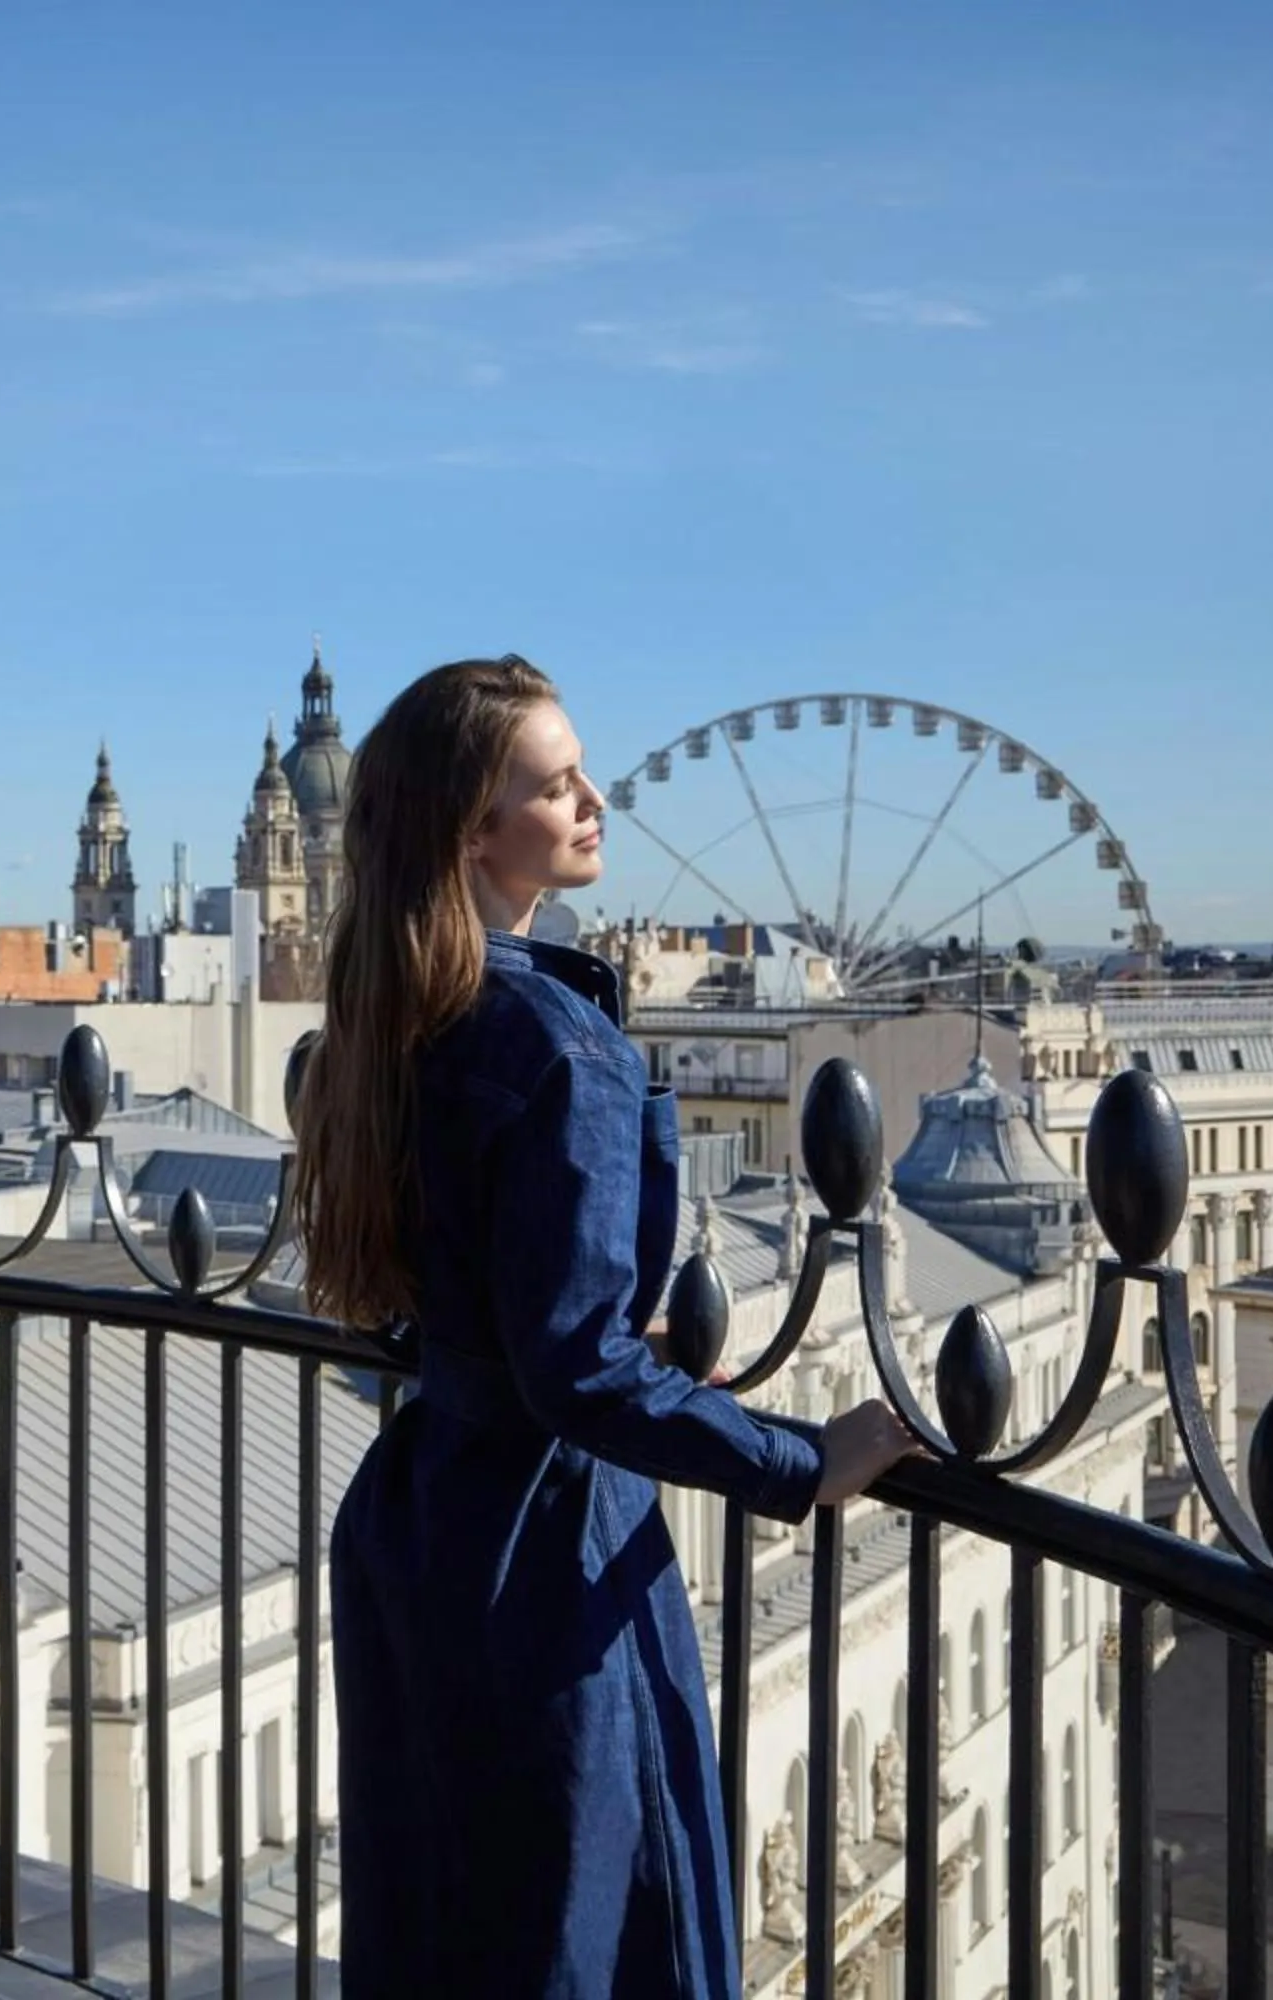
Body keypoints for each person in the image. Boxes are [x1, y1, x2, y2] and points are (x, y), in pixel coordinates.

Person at [298, 657, 921, 1998]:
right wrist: (804, 1463)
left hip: (417, 1521)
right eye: (556, 782)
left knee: (440, 1925)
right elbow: (580, 1367)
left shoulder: (380, 1023)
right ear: (476, 827)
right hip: (550, 1554)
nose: (592, 801)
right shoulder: (557, 1048)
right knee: (588, 1932)